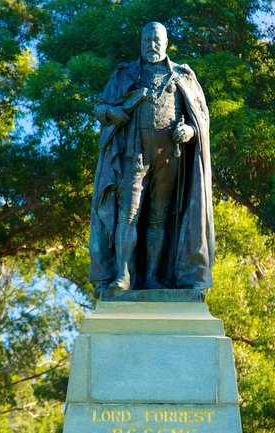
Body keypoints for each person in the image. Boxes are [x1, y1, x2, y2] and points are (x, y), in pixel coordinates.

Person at [89, 22, 214, 291]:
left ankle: (153, 277)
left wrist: (190, 130)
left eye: (156, 40)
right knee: (128, 215)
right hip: (134, 155)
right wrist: (114, 114)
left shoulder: (183, 76)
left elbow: (202, 118)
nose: (151, 45)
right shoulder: (125, 74)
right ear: (140, 43)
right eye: (146, 40)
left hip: (170, 156)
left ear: (167, 42)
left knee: (159, 218)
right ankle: (122, 275)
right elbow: (100, 108)